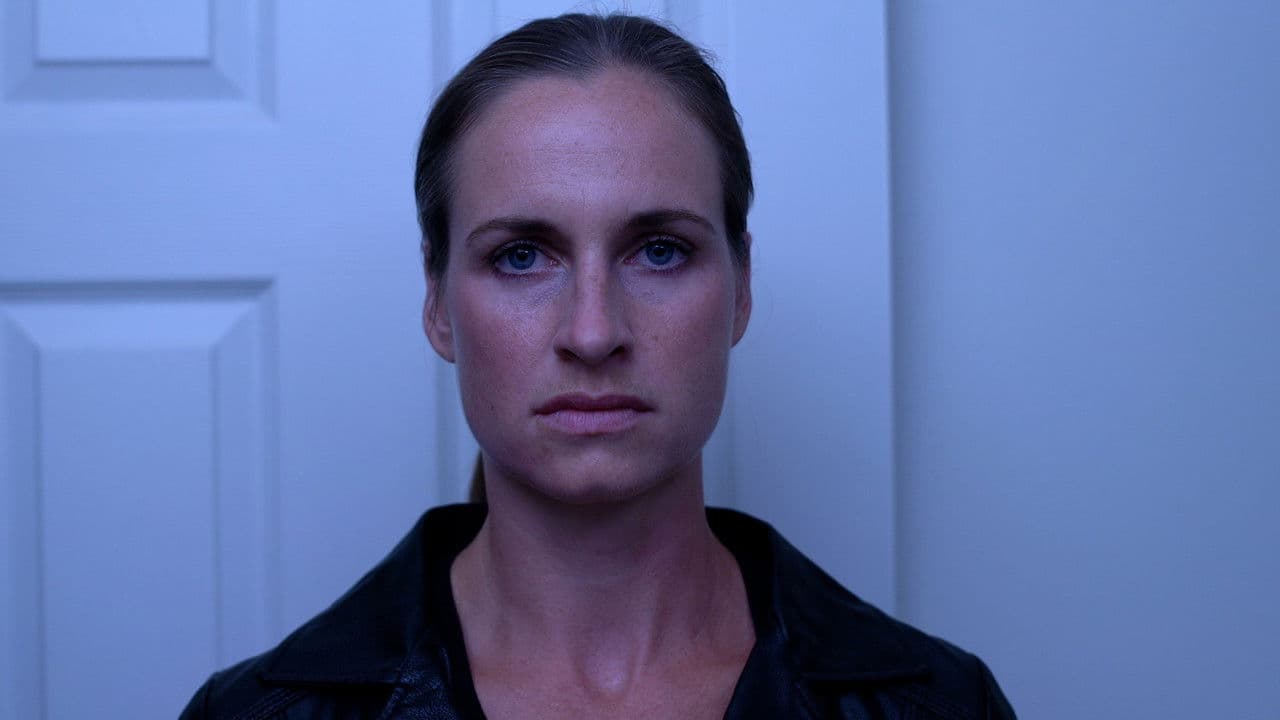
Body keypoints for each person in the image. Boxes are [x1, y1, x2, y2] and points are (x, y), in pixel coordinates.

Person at [180, 13, 1015, 719]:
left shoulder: (944, 705)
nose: (592, 332)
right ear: (437, 302)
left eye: (660, 251)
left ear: (741, 288)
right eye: (520, 257)